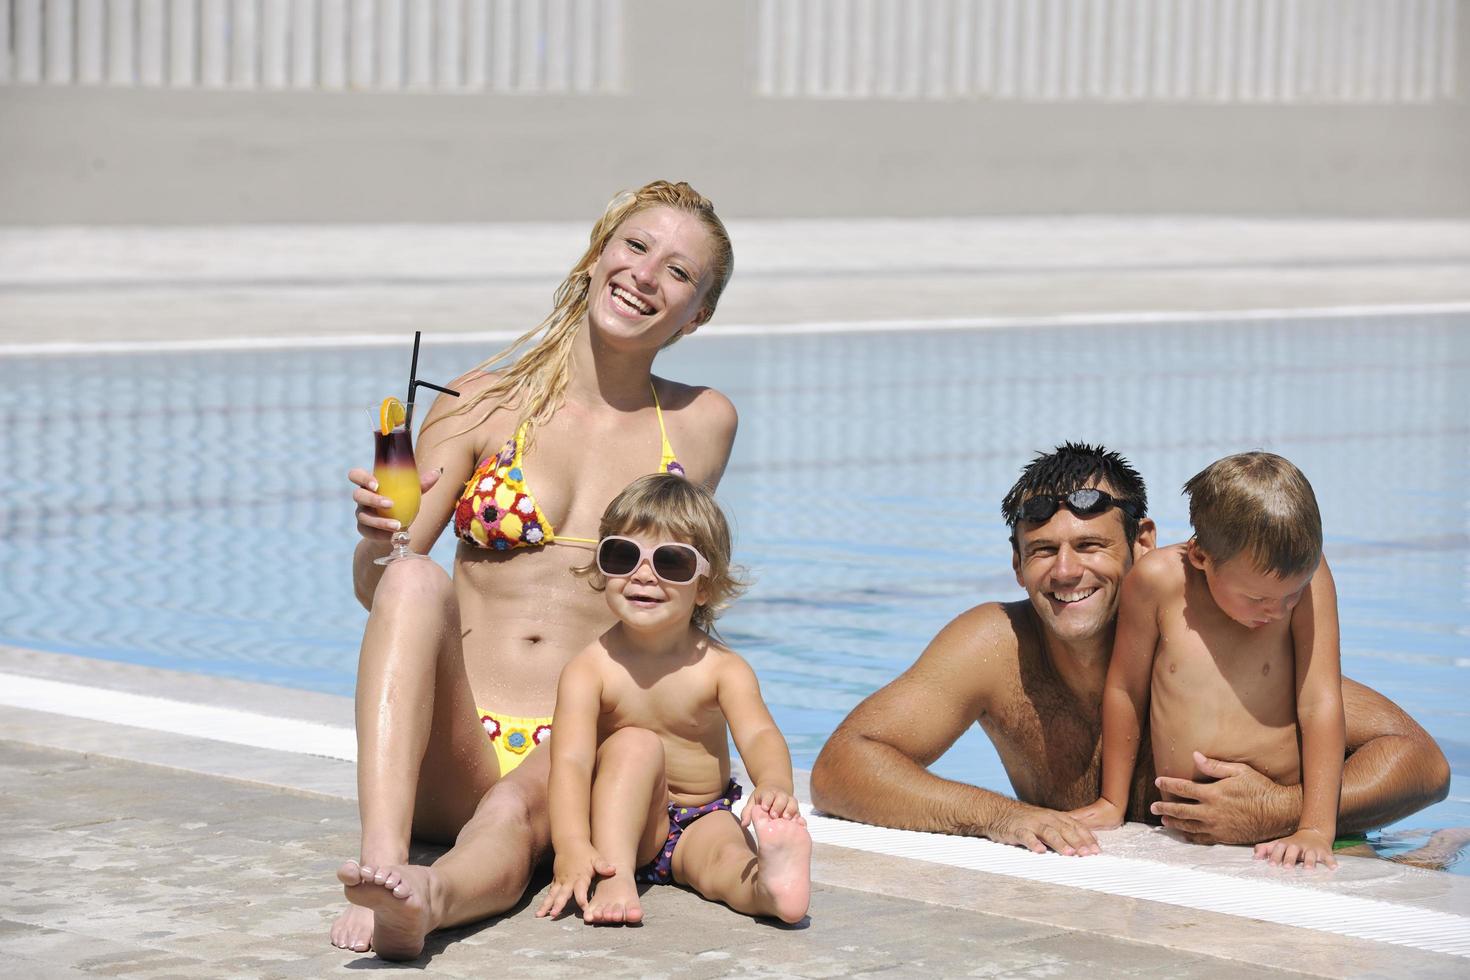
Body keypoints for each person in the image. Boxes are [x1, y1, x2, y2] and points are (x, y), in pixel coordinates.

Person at [332, 181, 740, 959]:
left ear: (699, 315)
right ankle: (384, 858)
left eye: (681, 274)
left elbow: (680, 606)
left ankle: (419, 903)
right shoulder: (477, 401)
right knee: (416, 579)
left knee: (514, 815)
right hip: (455, 746)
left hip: (580, 741)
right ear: (596, 256)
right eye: (636, 246)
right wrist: (374, 540)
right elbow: (378, 587)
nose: (647, 276)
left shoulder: (700, 423)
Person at [810, 443, 1450, 858]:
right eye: (1042, 551)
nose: (1065, 572)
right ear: (1015, 564)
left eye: (1090, 546)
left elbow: (1421, 762)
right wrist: (1001, 817)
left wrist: (1282, 810)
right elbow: (842, 768)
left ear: (1143, 543)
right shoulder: (993, 648)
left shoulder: (1215, 635)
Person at [535, 474, 812, 926]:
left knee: (726, 863)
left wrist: (775, 784)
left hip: (702, 818)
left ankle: (772, 888)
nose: (644, 574)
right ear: (603, 567)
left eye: (673, 563)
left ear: (704, 586)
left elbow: (760, 733)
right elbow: (570, 763)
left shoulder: (723, 668)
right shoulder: (590, 670)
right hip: (624, 828)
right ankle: (616, 876)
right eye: (623, 555)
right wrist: (571, 845)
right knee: (635, 744)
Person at [1072, 453, 1344, 868]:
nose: (1279, 609)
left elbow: (1320, 701)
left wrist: (1315, 828)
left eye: (1292, 595)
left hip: (1287, 832)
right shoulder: (1157, 582)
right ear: (1200, 556)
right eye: (1258, 598)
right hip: (1185, 836)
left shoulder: (1311, 579)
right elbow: (1126, 690)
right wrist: (1113, 801)